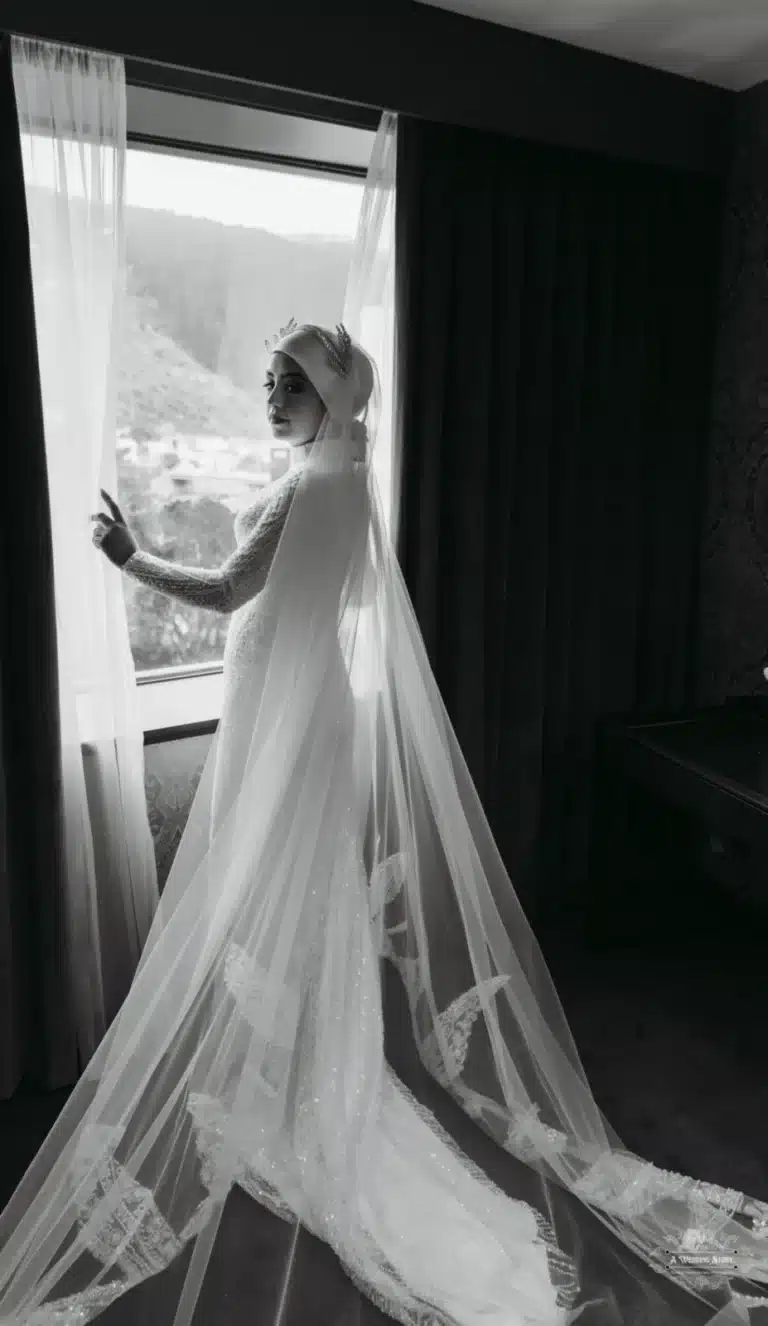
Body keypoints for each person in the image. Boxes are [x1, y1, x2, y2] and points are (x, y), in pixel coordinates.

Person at [1, 119, 767, 1326]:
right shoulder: (350, 485)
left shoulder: (312, 492)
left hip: (286, 716)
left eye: (283, 383)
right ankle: (308, 1058)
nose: (269, 394)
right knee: (303, 894)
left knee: (271, 885)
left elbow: (225, 595)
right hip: (309, 712)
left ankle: (306, 1072)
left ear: (325, 397)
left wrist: (124, 553)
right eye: (269, 381)